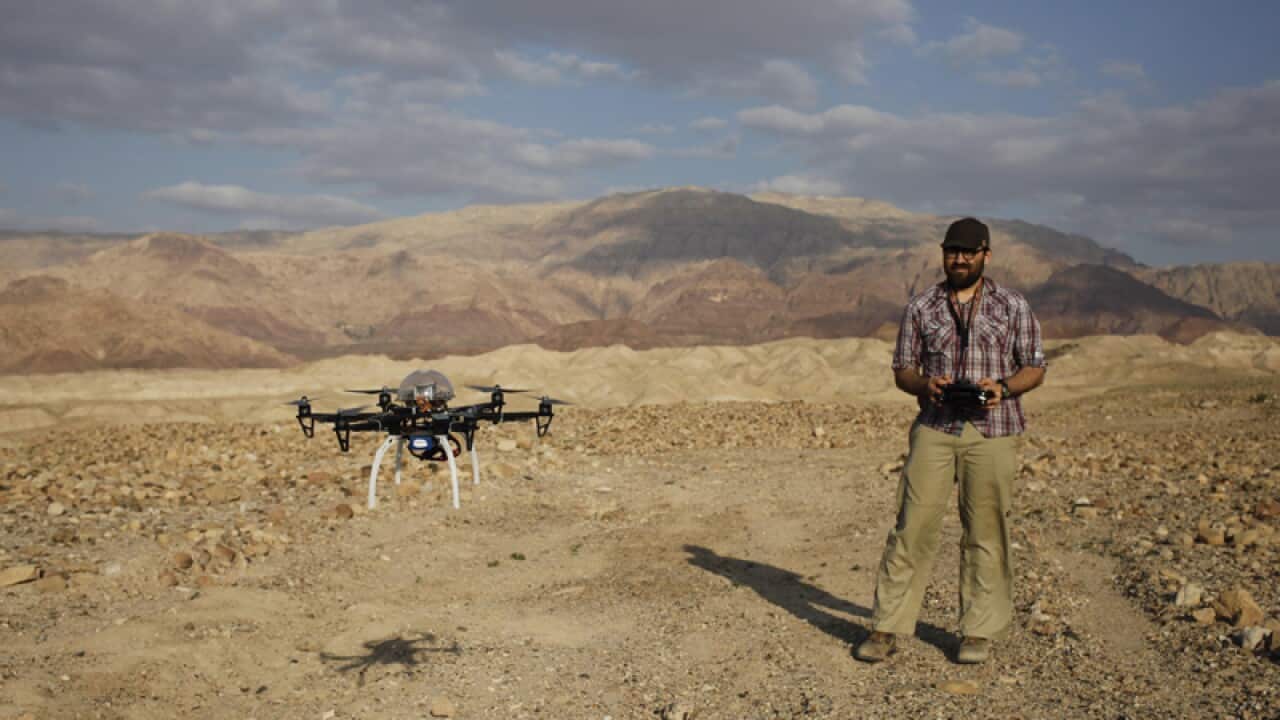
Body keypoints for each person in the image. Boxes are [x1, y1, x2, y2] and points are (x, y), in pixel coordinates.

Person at [854, 217, 1046, 665]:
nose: (959, 259)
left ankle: (977, 631)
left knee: (985, 530)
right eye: (951, 252)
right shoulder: (922, 306)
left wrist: (1003, 387)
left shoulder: (1013, 306)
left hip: (992, 430)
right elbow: (902, 369)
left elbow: (1035, 366)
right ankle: (885, 627)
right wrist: (926, 386)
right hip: (936, 428)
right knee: (912, 527)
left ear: (986, 254)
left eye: (968, 252)